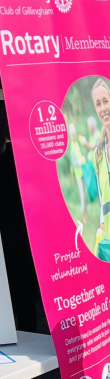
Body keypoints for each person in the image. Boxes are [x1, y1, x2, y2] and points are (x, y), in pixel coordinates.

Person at [0, 101, 39, 332]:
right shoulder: (20, 157)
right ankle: (30, 340)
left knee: (0, 298)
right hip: (21, 237)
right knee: (24, 299)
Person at [89, 78, 110, 260]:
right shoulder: (99, 152)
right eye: (98, 104)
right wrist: (102, 225)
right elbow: (103, 199)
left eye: (106, 101)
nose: (103, 108)